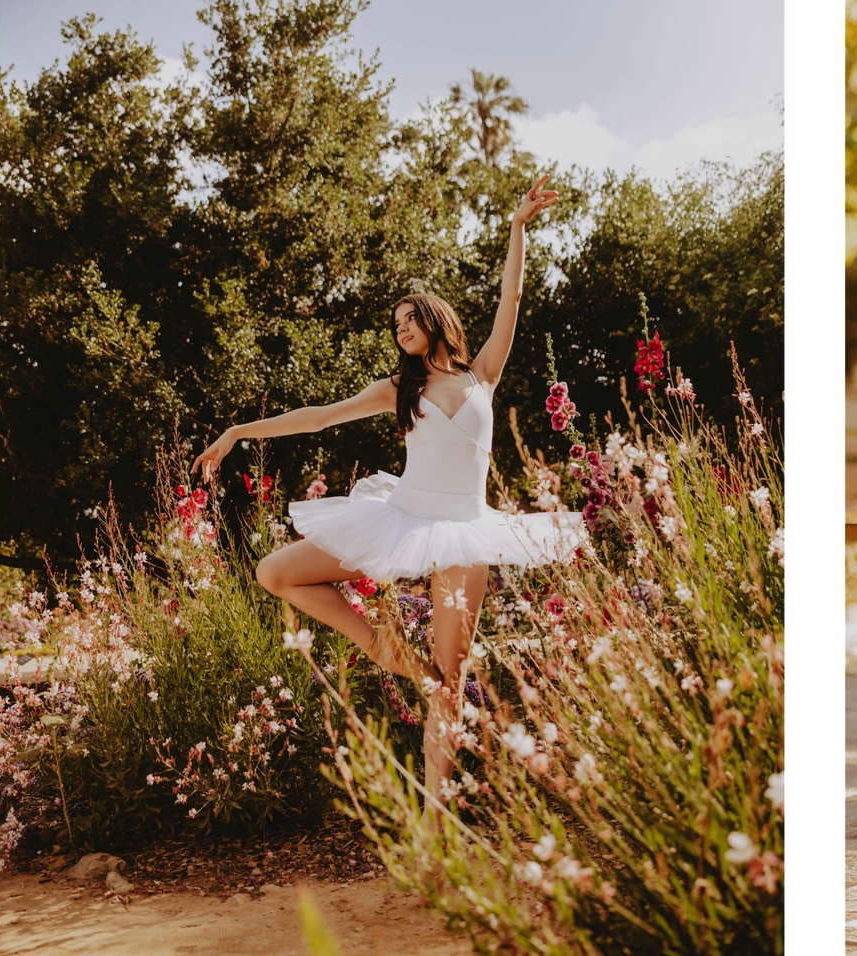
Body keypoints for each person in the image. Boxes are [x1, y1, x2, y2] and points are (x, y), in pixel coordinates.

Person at [192, 174, 586, 811]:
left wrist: (516, 228)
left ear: (436, 323)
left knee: (449, 682)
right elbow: (319, 415)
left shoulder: (483, 375)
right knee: (278, 572)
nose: (401, 329)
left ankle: (435, 821)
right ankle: (385, 648)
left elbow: (510, 300)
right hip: (402, 518)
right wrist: (240, 430)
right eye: (395, 324)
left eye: (410, 319)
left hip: (464, 530)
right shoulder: (398, 390)